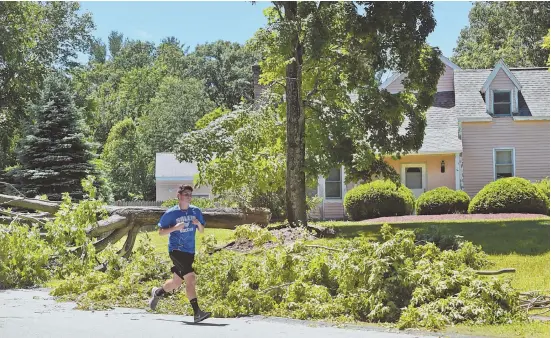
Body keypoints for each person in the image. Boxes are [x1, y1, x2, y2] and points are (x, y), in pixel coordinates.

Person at [148, 184, 211, 323]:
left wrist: (197, 224)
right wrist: (174, 228)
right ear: (179, 196)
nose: (188, 197)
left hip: (189, 251)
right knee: (191, 279)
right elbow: (161, 232)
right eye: (186, 194)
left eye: (190, 194)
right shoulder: (171, 213)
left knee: (176, 282)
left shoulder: (196, 211)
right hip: (176, 250)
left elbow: (201, 230)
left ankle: (158, 292)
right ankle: (197, 313)